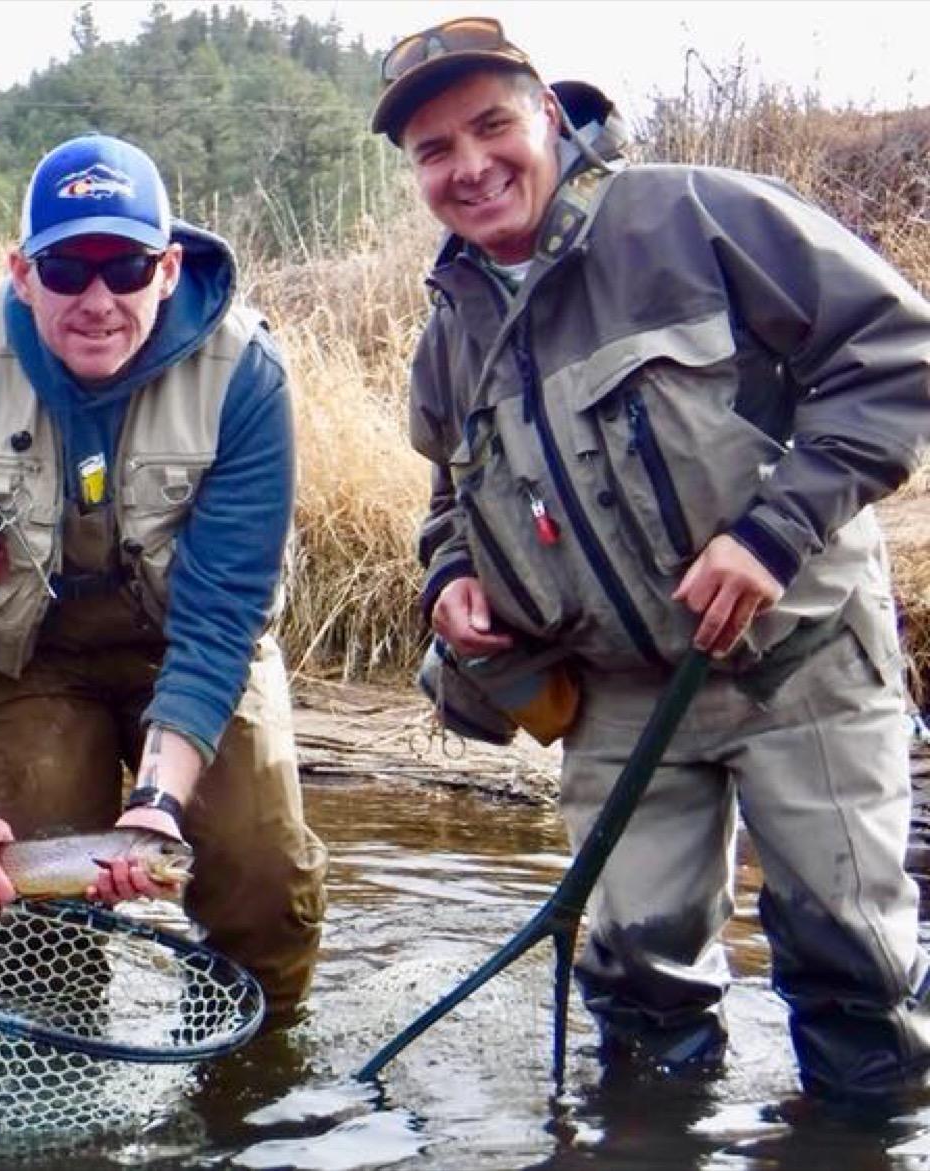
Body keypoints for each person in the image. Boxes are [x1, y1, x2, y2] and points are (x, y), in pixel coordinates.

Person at [374, 16, 930, 1101]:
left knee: (849, 970)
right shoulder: (447, 331)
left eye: (491, 125)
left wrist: (773, 533)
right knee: (635, 991)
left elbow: (893, 357)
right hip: (620, 698)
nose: (469, 165)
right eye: (433, 151)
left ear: (549, 115)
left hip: (798, 661)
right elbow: (447, 499)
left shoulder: (692, 214)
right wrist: (450, 579)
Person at [0, 133, 328, 1016]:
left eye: (125, 265)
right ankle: (53, 1065)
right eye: (68, 267)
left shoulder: (247, 373)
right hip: (29, 661)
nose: (98, 298)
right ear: (21, 271)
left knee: (261, 878)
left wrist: (155, 802)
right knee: (27, 923)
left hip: (195, 650)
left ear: (168, 267)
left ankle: (248, 1085)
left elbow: (223, 616)